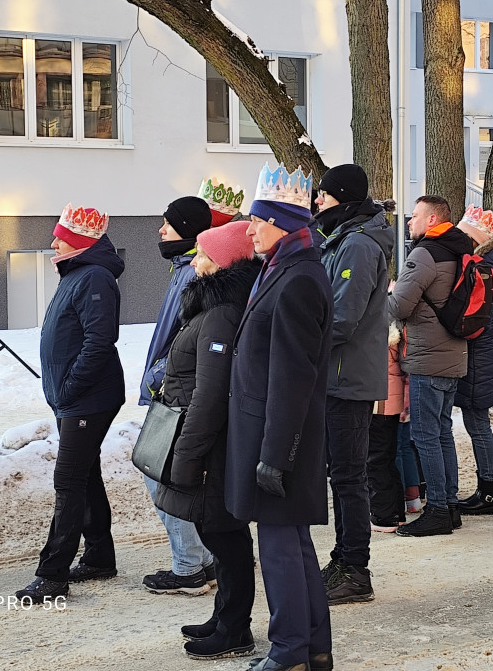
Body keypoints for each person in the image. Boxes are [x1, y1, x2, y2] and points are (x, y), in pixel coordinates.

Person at [225, 162, 334, 671]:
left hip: (279, 436)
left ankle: (289, 651)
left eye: (258, 221)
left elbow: (293, 377)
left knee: (280, 549)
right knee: (293, 544)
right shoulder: (285, 268)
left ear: (284, 225)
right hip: (273, 431)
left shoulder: (298, 279)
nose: (249, 229)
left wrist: (274, 456)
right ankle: (313, 649)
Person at [153, 221, 262, 659]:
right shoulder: (212, 305)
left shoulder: (221, 312)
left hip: (211, 442)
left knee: (224, 534)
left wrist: (188, 454)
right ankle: (224, 617)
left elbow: (210, 393)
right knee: (217, 530)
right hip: (204, 437)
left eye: (202, 255)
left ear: (223, 263)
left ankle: (235, 629)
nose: (194, 262)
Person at [17, 204, 125, 603]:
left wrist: (70, 388)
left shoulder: (94, 277)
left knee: (68, 481)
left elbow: (100, 342)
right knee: (85, 474)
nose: (53, 242)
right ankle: (99, 556)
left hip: (87, 399)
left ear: (78, 243)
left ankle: (52, 574)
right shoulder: (77, 274)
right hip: (74, 398)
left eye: (60, 236)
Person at [313, 163, 393, 605]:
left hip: (347, 378)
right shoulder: (340, 239)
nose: (317, 202)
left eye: (324, 196)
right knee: (341, 474)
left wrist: (302, 346)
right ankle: (343, 557)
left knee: (348, 477)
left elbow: (342, 316)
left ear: (342, 197)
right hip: (336, 375)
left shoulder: (358, 246)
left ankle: (355, 569)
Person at [139, 194, 216, 595]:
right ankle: (203, 560)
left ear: (186, 229)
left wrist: (156, 378)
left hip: (174, 390)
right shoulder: (182, 267)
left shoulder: (193, 273)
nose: (160, 229)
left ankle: (188, 565)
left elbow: (184, 341)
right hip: (171, 385)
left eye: (167, 222)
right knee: (170, 475)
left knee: (162, 476)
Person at [389, 195, 472, 537]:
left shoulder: (424, 253)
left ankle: (437, 508)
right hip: (453, 353)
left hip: (427, 357)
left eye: (415, 216)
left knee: (424, 436)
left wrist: (390, 293)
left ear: (433, 218)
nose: (409, 222)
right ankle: (449, 505)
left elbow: (399, 306)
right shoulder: (461, 249)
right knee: (441, 433)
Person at [453, 206, 493, 516]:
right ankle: (486, 489)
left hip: (479, 354)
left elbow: (477, 318)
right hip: (483, 353)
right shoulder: (488, 265)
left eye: (465, 234)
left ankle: (489, 493)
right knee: (476, 423)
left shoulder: (484, 269)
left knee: (477, 424)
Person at [370, 320, 408, 533]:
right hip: (391, 401)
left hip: (380, 403)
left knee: (376, 460)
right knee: (387, 459)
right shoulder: (393, 331)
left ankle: (385, 516)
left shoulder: (381, 334)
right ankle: (396, 512)